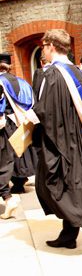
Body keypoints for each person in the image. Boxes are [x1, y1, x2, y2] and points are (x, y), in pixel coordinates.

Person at [34, 29, 82, 249]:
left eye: (44, 45)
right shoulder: (76, 71)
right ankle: (69, 236)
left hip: (62, 139)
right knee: (75, 183)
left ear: (51, 46)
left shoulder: (54, 74)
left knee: (53, 184)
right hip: (79, 137)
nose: (43, 50)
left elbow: (46, 111)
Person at [0, 52, 28, 219]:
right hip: (18, 122)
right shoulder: (21, 81)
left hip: (4, 124)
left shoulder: (1, 82)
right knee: (13, 156)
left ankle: (8, 197)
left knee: (4, 159)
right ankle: (18, 183)